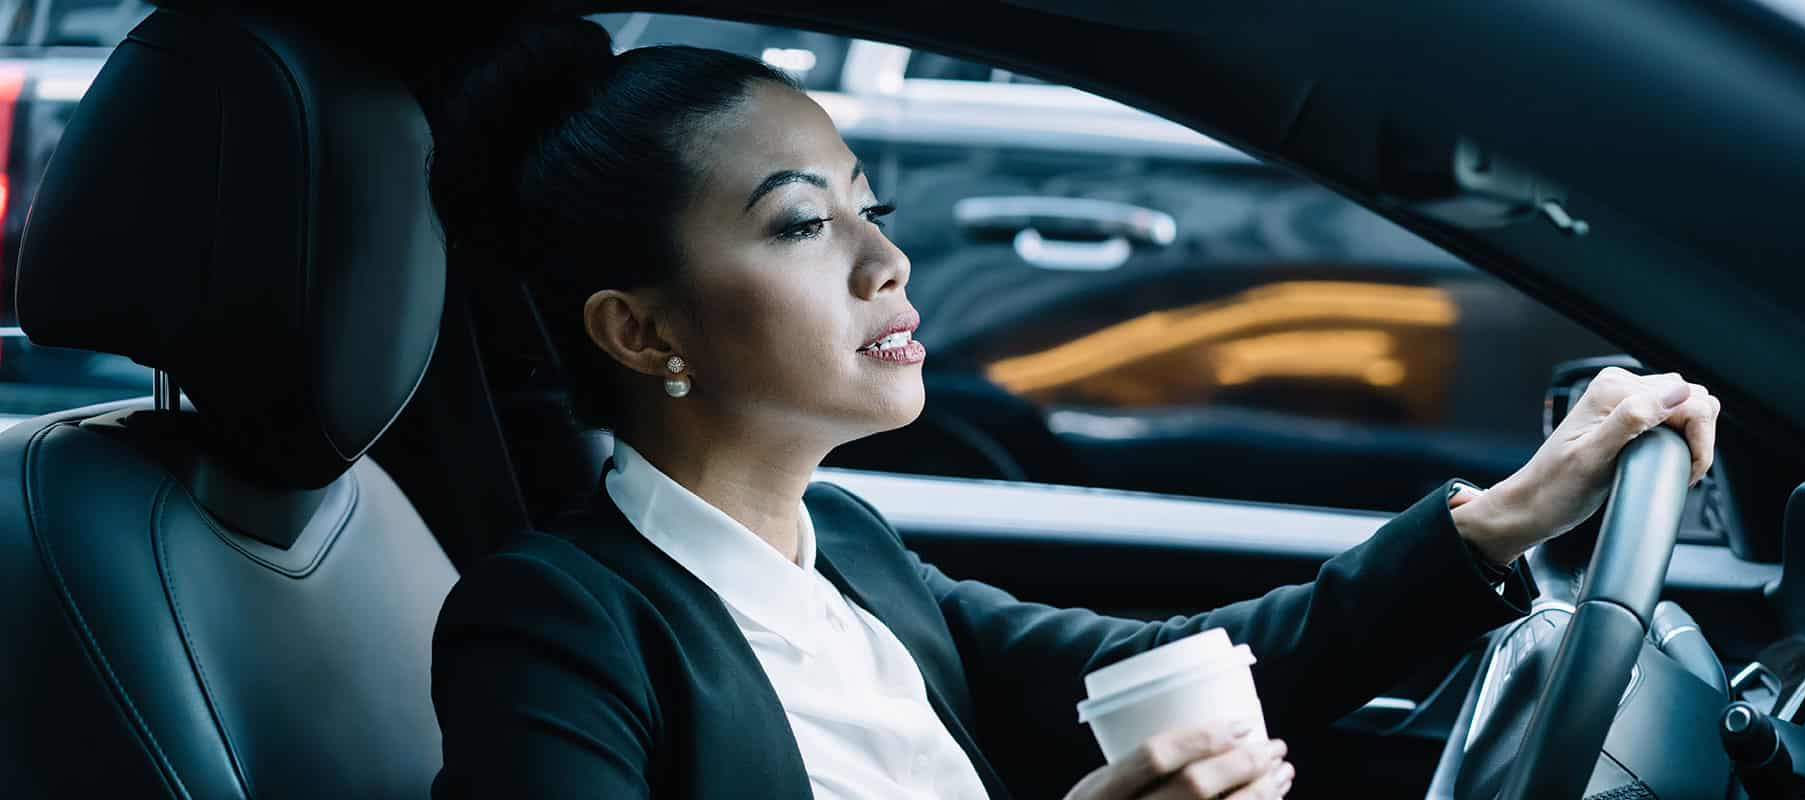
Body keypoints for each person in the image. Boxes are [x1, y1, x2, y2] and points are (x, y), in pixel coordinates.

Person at [424, 19, 1722, 800]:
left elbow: (1199, 667)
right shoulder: (550, 624)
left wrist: (1504, 520)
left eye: (871, 204)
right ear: (639, 328)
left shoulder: (852, 552)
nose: (887, 262)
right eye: (802, 224)